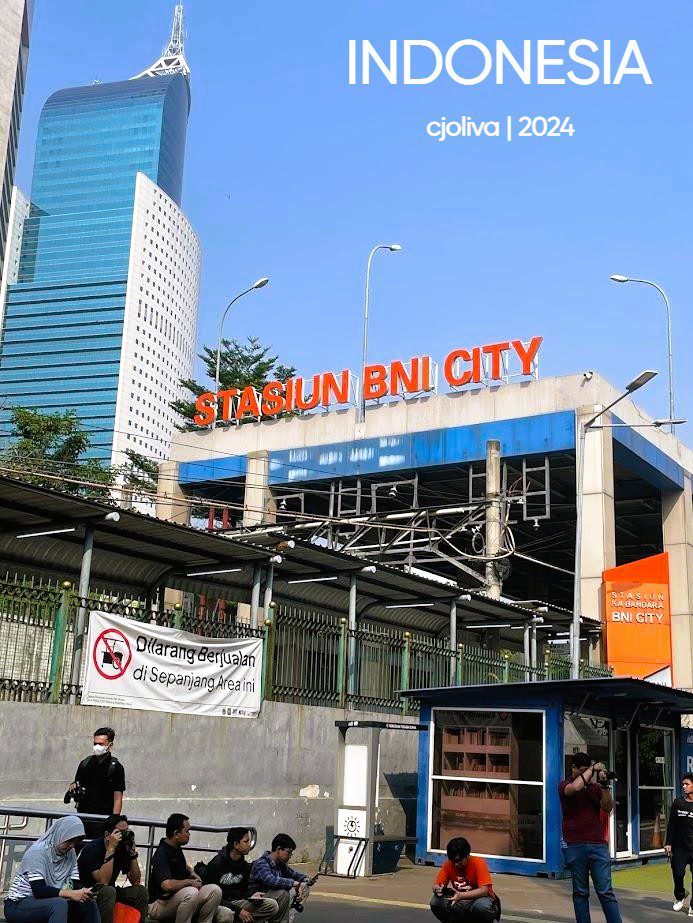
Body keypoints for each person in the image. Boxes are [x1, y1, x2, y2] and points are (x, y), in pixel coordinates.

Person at [558, 752, 622, 923]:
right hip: (575, 845)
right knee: (580, 893)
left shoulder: (594, 788)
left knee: (605, 892)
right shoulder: (565, 785)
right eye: (583, 771)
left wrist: (604, 785)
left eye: (588, 771)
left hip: (598, 845)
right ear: (573, 769)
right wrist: (593, 768)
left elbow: (607, 808)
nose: (587, 775)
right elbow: (576, 787)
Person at [4, 816, 100, 923]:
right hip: (19, 903)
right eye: (69, 841)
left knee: (87, 901)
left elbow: (75, 883)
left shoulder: (70, 853)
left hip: (48, 900)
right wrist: (71, 894)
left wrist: (84, 892)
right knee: (58, 904)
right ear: (60, 835)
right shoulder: (37, 853)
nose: (71, 846)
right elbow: (39, 890)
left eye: (75, 842)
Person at [147, 813, 221, 923]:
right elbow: (167, 885)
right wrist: (189, 882)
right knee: (191, 893)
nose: (189, 834)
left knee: (215, 890)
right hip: (159, 904)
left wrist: (191, 871)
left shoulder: (176, 848)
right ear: (176, 833)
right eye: (186, 831)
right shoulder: (161, 853)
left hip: (176, 898)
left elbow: (178, 865)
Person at [77, 815, 148, 923]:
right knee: (109, 891)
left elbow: (135, 881)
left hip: (111, 891)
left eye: (126, 831)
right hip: (89, 893)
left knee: (140, 891)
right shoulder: (92, 849)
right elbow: (103, 882)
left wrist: (132, 854)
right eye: (120, 832)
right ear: (107, 835)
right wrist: (111, 849)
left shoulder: (122, 848)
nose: (123, 836)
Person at [201, 827, 281, 923]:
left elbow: (244, 891)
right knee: (226, 915)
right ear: (236, 844)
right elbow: (212, 897)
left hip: (238, 903)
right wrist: (238, 910)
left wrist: (252, 896)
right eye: (246, 841)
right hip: (220, 904)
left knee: (272, 905)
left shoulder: (243, 865)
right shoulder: (217, 864)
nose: (249, 844)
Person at [69, 728, 125, 839]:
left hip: (103, 819)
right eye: (95, 743)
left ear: (110, 745)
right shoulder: (85, 763)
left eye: (101, 744)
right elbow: (76, 783)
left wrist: (114, 819)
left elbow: (118, 796)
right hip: (83, 815)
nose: (97, 747)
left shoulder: (115, 767)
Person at [429, 836, 498, 922]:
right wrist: (437, 889)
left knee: (482, 907)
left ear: (467, 855)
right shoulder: (448, 865)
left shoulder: (478, 863)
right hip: (459, 900)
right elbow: (437, 885)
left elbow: (484, 890)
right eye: (453, 861)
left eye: (459, 860)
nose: (456, 864)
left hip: (478, 898)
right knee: (436, 901)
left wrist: (461, 896)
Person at [248, 835, 308, 923]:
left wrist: (306, 879)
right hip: (258, 899)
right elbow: (271, 880)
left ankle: (288, 917)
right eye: (289, 852)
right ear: (279, 849)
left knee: (304, 887)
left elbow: (294, 874)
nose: (290, 856)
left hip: (274, 896)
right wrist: (294, 883)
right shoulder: (261, 863)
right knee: (283, 893)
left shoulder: (280, 863)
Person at [665, 772, 693, 914]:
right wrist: (668, 842)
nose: (684, 786)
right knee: (677, 874)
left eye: (687, 784)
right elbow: (671, 825)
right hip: (680, 848)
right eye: (683, 784)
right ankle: (680, 896)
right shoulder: (678, 802)